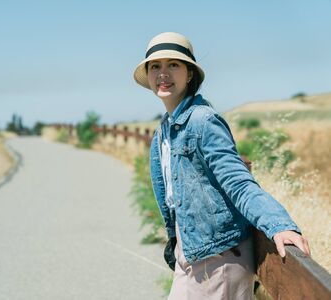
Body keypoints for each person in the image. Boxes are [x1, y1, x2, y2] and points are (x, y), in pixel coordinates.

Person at [133, 32, 311, 299]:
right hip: (191, 254)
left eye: (174, 65)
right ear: (148, 75)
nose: (163, 73)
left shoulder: (203, 121)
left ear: (189, 74)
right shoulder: (164, 130)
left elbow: (238, 181)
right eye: (156, 66)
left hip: (219, 260)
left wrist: (278, 225)